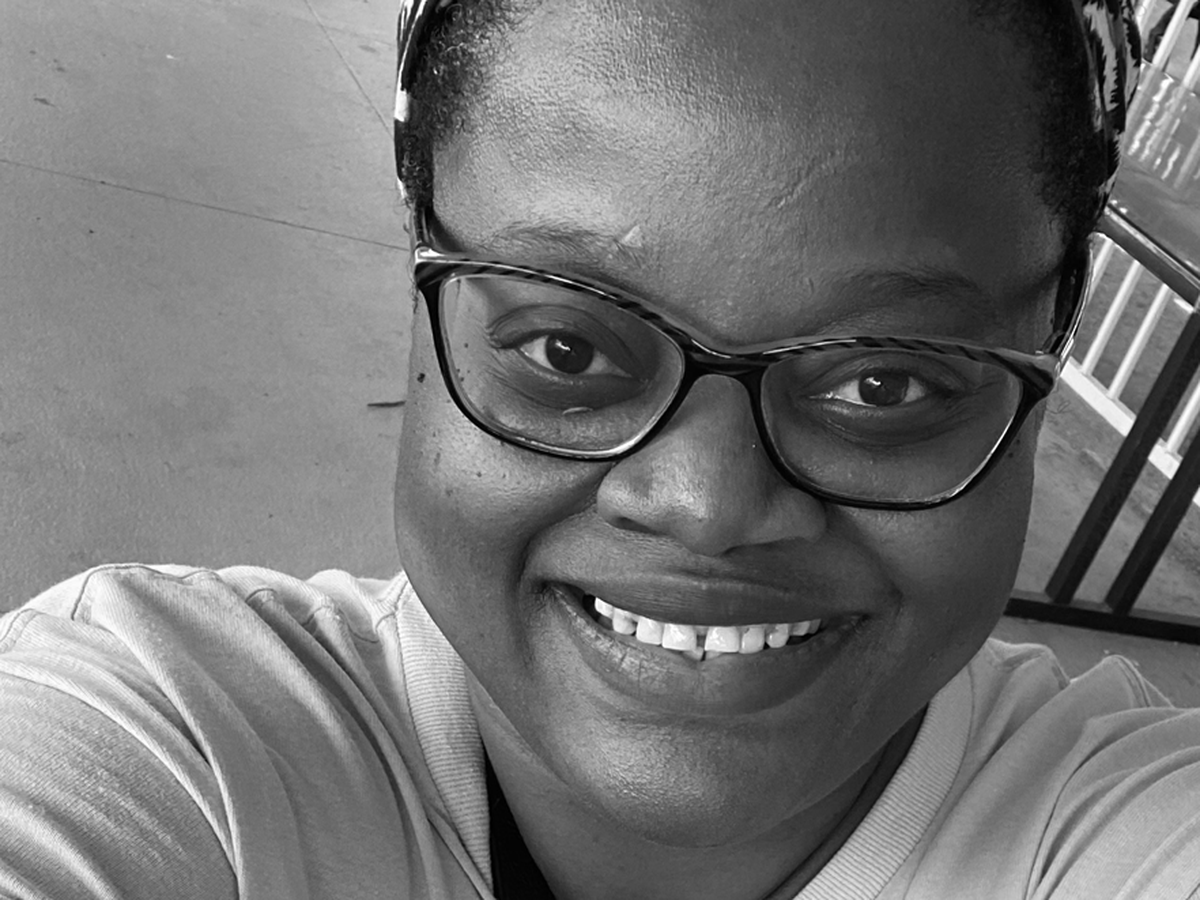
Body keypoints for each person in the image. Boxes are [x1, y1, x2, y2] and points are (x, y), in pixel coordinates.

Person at [2, 0, 1192, 898]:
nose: (707, 504)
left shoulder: (1123, 823)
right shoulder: (170, 734)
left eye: (884, 384)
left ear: (1047, 348)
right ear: (422, 293)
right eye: (567, 349)